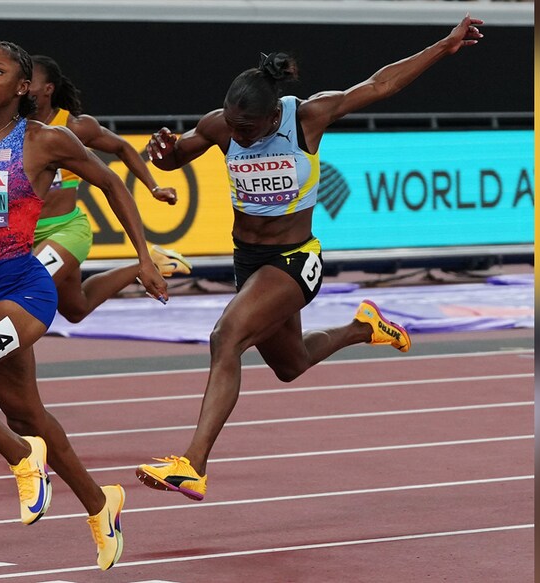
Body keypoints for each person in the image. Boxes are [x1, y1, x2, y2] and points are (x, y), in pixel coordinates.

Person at [134, 16, 484, 501]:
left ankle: (192, 464)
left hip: (295, 258)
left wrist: (444, 46)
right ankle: (365, 327)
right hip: (249, 260)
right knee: (290, 364)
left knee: (226, 337)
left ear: (273, 116)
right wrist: (161, 152)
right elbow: (176, 156)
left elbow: (381, 84)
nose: (241, 137)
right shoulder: (222, 125)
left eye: (250, 129)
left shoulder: (308, 118)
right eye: (234, 128)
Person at [0, 41, 166, 571]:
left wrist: (143, 257)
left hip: (25, 295)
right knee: (26, 413)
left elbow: (111, 183)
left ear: (21, 87)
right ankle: (99, 504)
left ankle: (21, 457)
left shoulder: (45, 140)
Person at [26, 54, 189, 323]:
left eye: (30, 81)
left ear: (48, 89)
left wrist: (153, 186)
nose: (22, 86)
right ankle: (145, 265)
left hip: (64, 231)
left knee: (25, 291)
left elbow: (122, 147)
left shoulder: (74, 127)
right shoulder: (11, 128)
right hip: (24, 234)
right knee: (76, 309)